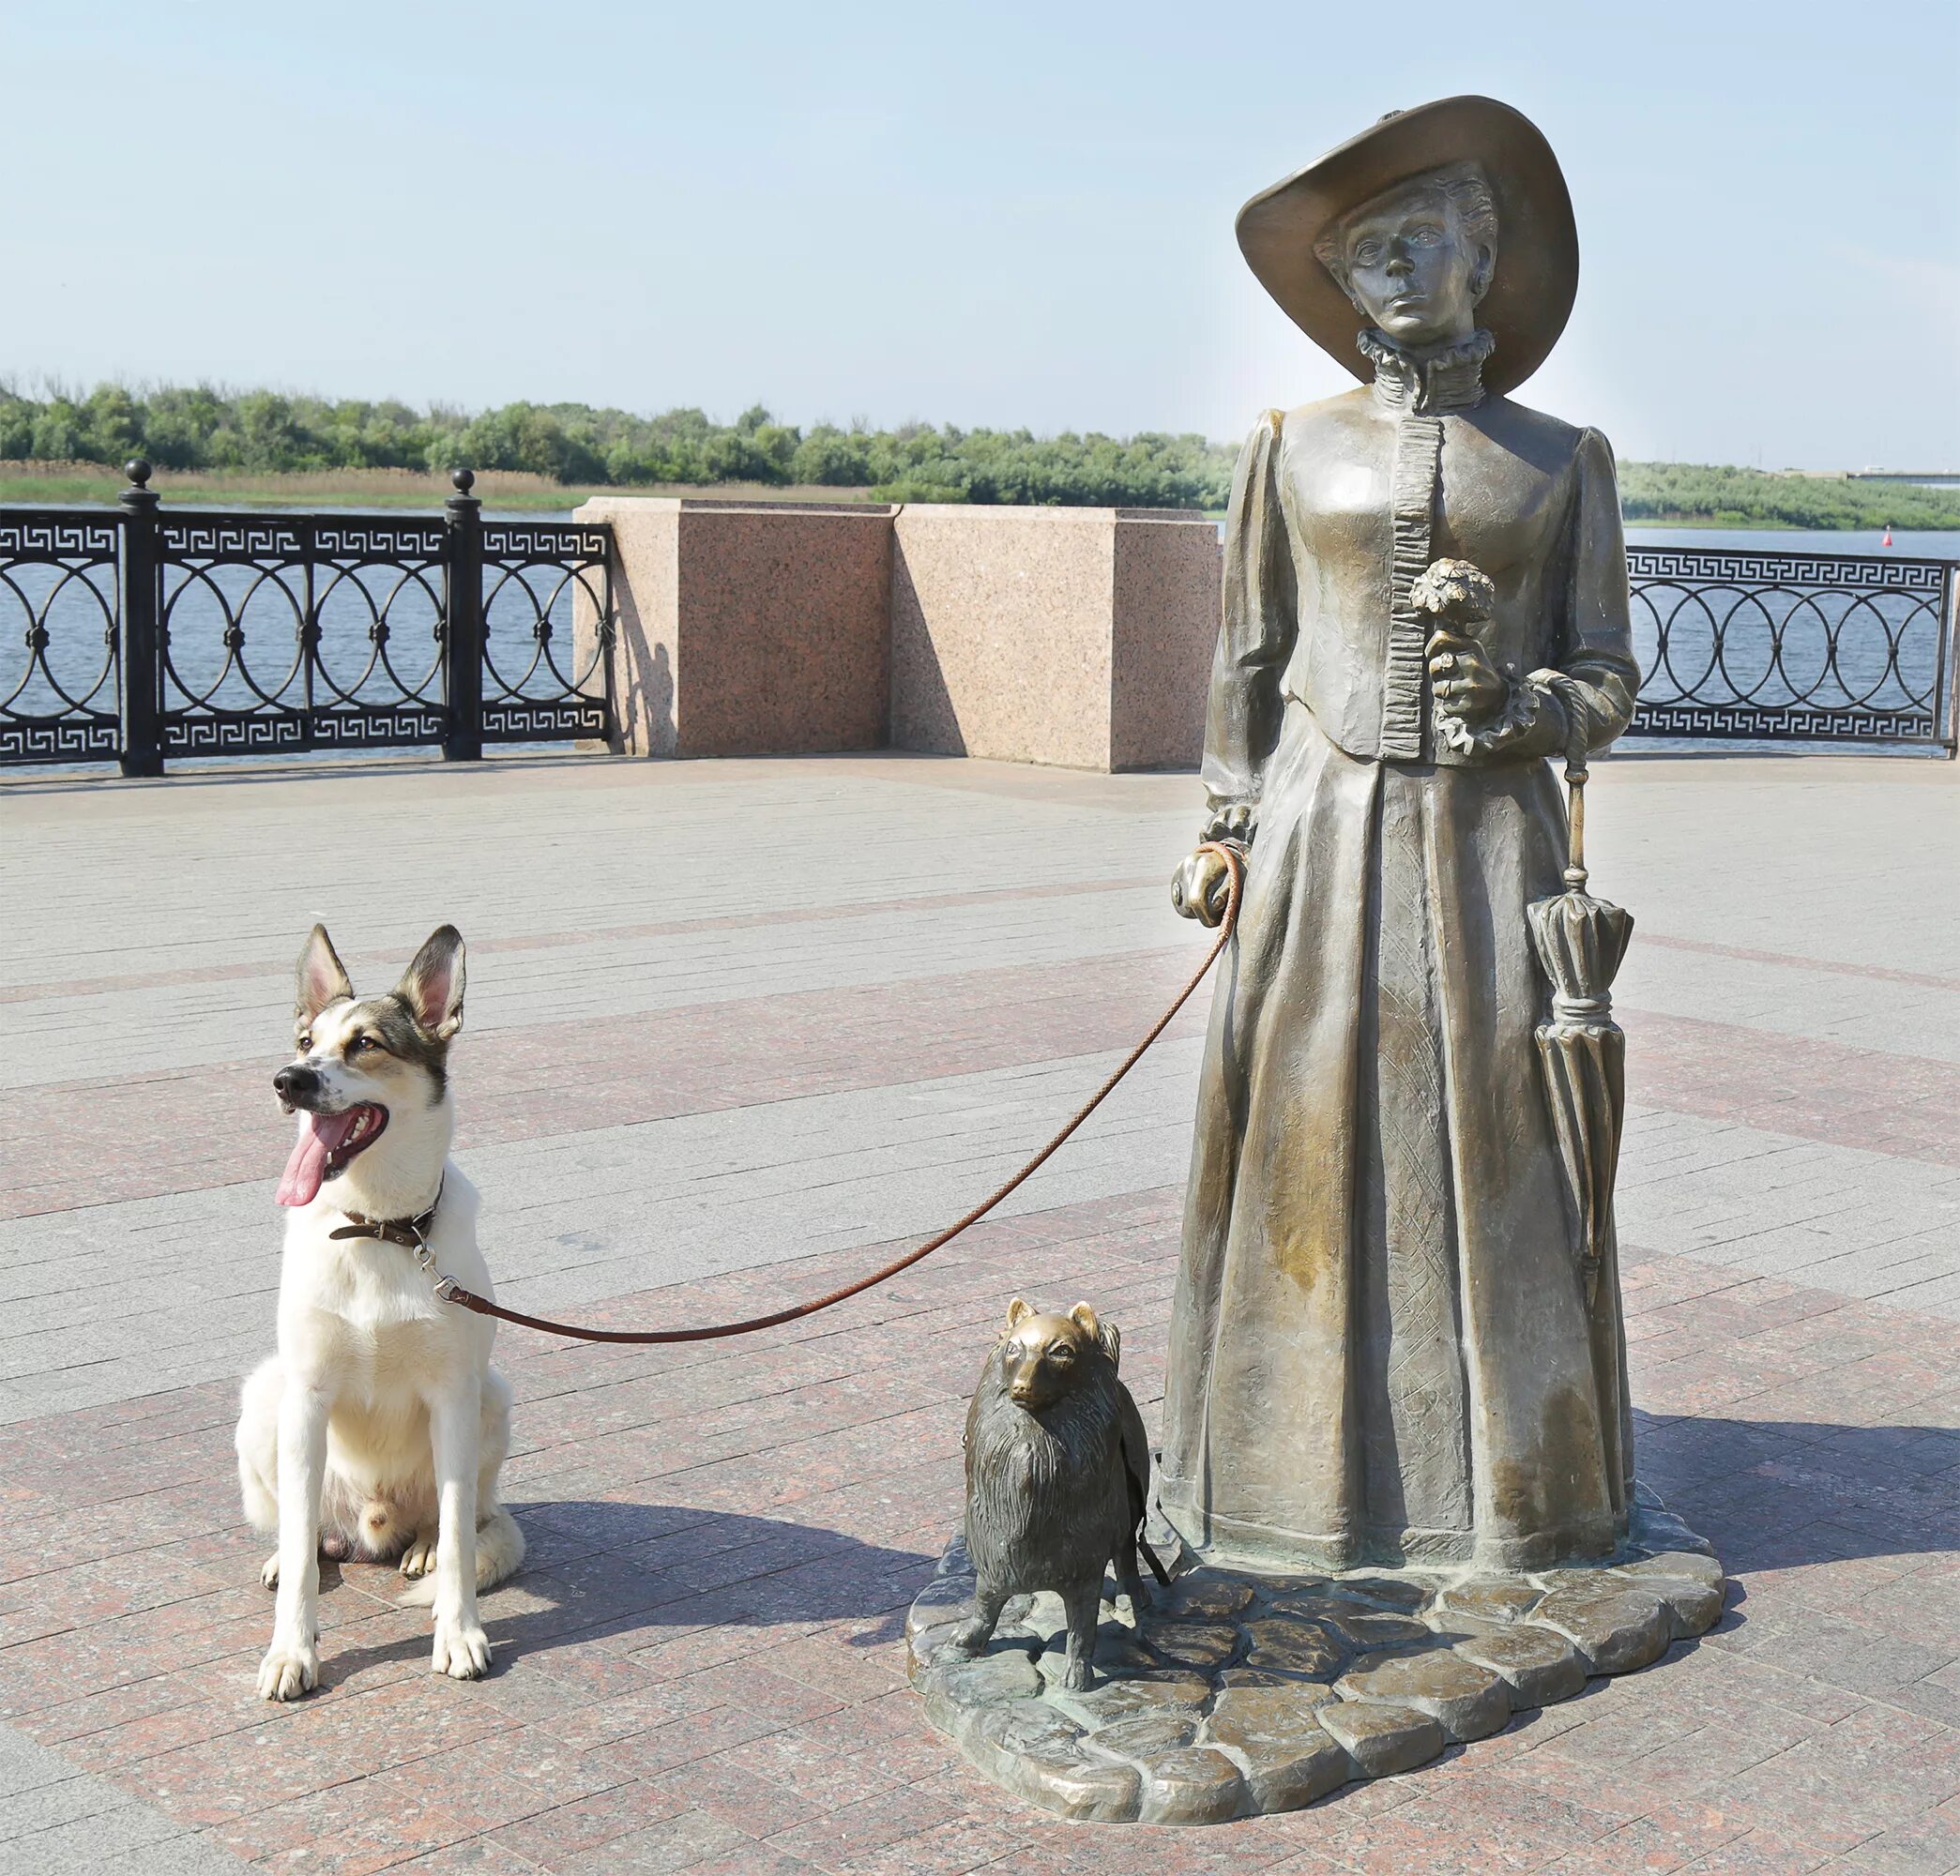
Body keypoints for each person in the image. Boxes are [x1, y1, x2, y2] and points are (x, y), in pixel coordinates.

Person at [1160, 97, 1642, 1573]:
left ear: (1482, 258)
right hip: (1315, 840)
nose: (1390, 270)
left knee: (1495, 1144)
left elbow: (1607, 676)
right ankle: (1281, 1484)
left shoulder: (1560, 459)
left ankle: (1510, 1495)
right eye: (1365, 250)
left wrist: (1521, 707)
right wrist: (1225, 821)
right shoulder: (1287, 452)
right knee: (1306, 1132)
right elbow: (1247, 657)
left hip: (1493, 854)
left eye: (1421, 237)